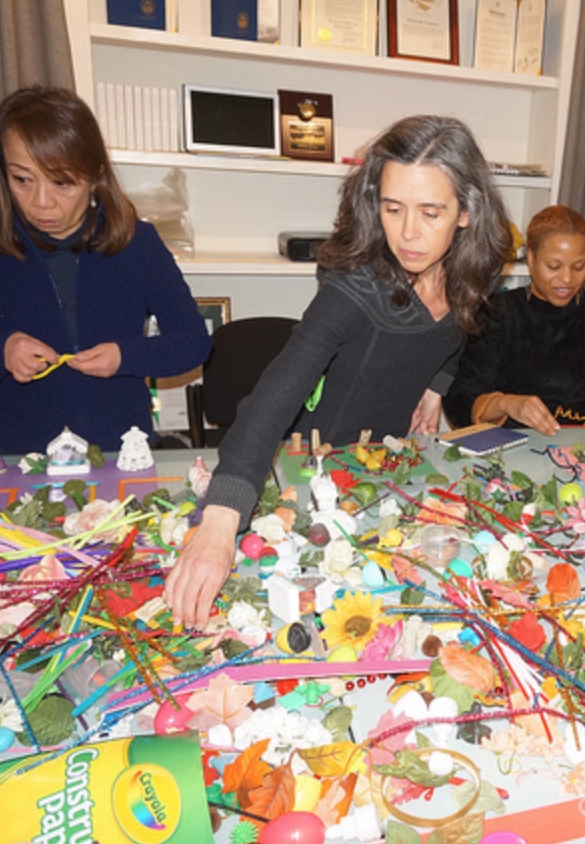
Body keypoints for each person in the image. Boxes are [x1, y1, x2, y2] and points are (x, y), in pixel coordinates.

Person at [165, 114, 512, 627]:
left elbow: (462, 324)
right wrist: (221, 519)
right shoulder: (353, 291)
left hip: (387, 467)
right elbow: (275, 393)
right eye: (393, 209)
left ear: (466, 213)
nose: (409, 234)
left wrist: (437, 386)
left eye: (430, 212)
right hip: (311, 472)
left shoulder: (477, 266)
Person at [0, 86, 211, 455]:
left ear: (95, 172)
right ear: (3, 175)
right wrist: (1, 350)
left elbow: (193, 342)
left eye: (62, 182)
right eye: (22, 180)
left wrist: (125, 357)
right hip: (20, 453)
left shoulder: (137, 243)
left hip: (120, 448)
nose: (41, 202)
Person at [443, 205, 585, 436]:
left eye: (579, 267)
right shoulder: (498, 312)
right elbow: (459, 402)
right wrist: (507, 404)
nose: (567, 279)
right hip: (514, 448)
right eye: (554, 266)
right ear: (530, 257)